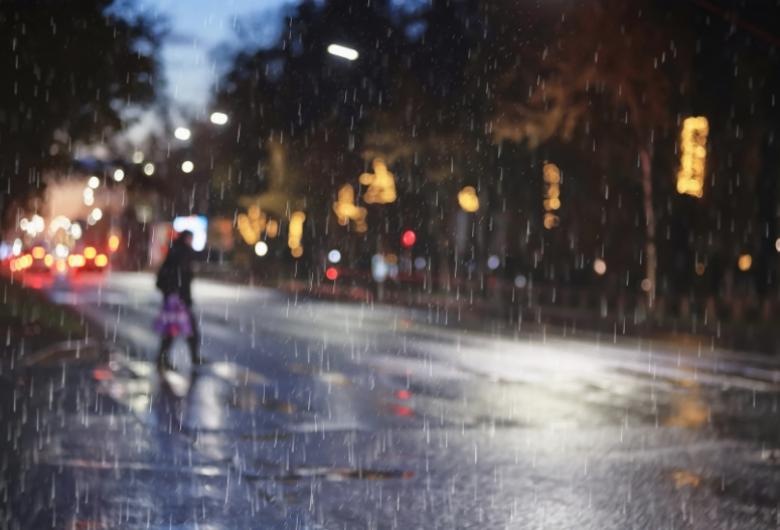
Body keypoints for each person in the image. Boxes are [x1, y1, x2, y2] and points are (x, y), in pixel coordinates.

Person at [155, 230, 204, 370]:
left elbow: (170, 275)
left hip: (177, 299)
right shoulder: (181, 252)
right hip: (178, 300)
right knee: (185, 329)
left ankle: (162, 359)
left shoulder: (176, 250)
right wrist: (177, 293)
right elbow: (180, 276)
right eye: (190, 238)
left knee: (172, 330)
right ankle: (192, 358)